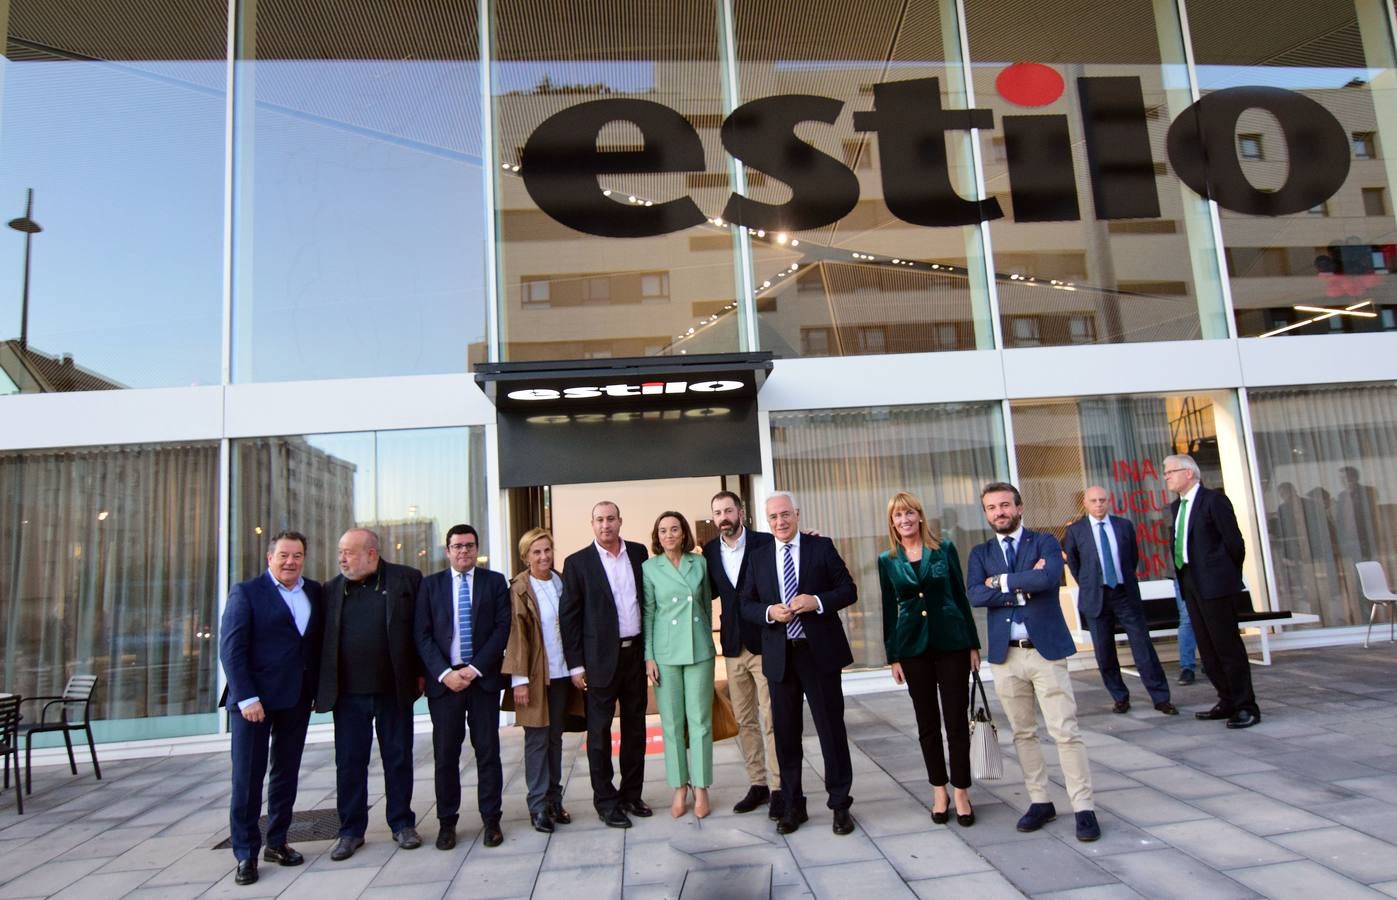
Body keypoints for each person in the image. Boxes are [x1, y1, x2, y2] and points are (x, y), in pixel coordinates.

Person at [966, 482, 1101, 842]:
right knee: (1023, 733)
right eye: (992, 507)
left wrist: (1003, 582)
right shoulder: (980, 553)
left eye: (1005, 505)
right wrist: (1021, 588)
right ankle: (1040, 801)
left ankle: (1084, 807)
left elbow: (1047, 577)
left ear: (1020, 507)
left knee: (1065, 731)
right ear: (986, 513)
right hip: (1006, 657)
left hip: (1046, 652)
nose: (999, 512)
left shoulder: (1043, 542)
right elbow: (976, 594)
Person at [739, 491, 858, 836]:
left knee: (830, 730)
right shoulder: (759, 557)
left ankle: (840, 805)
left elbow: (847, 590)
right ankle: (793, 806)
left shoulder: (820, 548)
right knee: (786, 734)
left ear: (797, 514)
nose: (780, 521)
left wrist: (816, 601)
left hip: (818, 653)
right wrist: (768, 612)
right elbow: (745, 603)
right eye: (773, 517)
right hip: (780, 655)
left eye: (785, 514)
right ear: (767, 521)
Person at [219, 531, 322, 886]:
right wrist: (247, 697)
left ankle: (277, 842)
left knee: (285, 774)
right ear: (269, 558)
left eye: (297, 556)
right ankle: (245, 853)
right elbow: (231, 649)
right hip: (253, 703)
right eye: (283, 556)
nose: (290, 562)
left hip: (294, 700)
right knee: (247, 779)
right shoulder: (246, 593)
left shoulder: (313, 592)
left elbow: (311, 646)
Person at [316, 528, 424, 860]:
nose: (341, 558)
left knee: (398, 758)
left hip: (393, 690)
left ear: (372, 554)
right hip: (348, 696)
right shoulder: (331, 590)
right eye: (340, 551)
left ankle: (402, 824)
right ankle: (350, 831)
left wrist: (421, 674)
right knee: (349, 763)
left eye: (349, 552)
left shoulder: (407, 580)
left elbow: (421, 628)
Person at [877, 492, 980, 827]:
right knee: (927, 724)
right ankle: (939, 789)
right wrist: (893, 655)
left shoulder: (944, 549)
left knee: (955, 721)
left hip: (951, 643)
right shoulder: (887, 560)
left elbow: (960, 596)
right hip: (912, 649)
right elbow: (889, 609)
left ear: (919, 516)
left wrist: (972, 645)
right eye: (897, 516)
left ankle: (961, 790)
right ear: (892, 523)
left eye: (909, 514)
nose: (904, 520)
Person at [414, 524, 511, 850]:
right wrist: (444, 673)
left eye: (469, 545)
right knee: (446, 756)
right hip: (445, 686)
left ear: (477, 548)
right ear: (447, 550)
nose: (463, 551)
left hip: (481, 681)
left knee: (488, 753)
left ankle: (491, 819)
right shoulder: (430, 586)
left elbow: (502, 629)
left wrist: (473, 669)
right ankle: (447, 823)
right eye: (457, 546)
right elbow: (422, 635)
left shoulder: (494, 582)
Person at [560, 501, 652, 828]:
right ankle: (605, 800)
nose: (605, 525)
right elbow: (569, 619)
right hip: (598, 661)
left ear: (620, 521)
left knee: (635, 729)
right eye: (599, 520)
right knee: (598, 734)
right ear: (592, 523)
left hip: (634, 656)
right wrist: (575, 666)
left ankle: (631, 794)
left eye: (611, 519)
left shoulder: (640, 554)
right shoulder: (577, 563)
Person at [1164, 454, 1260, 729]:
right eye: (1166, 472)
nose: (1167, 476)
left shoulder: (1213, 500)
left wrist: (1225, 575)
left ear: (1189, 473)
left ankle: (1246, 705)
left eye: (1171, 471)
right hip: (1190, 582)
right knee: (1207, 648)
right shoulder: (1177, 506)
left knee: (1227, 647)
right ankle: (1226, 699)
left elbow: (1234, 542)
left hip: (1215, 584)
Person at [1063, 486, 1177, 716]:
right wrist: (1092, 583)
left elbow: (1131, 557)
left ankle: (1160, 697)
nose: (1098, 504)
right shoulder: (1076, 531)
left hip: (1124, 593)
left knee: (1142, 647)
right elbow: (1075, 564)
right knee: (1104, 651)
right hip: (1096, 596)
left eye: (1102, 500)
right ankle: (1120, 697)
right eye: (1093, 501)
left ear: (1109, 501)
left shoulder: (1124, 525)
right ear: (1085, 503)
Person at [702, 490, 781, 818]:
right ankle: (758, 783)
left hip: (765, 642)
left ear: (741, 512)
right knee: (745, 720)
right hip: (733, 647)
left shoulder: (765, 543)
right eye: (717, 512)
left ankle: (779, 787)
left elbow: (793, 555)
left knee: (772, 718)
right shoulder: (708, 552)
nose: (723, 517)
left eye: (728, 510)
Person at [502, 528, 585, 834]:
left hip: (562, 674)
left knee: (555, 738)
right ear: (525, 557)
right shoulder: (520, 588)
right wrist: (519, 680)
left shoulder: (562, 581)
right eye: (536, 552)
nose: (543, 557)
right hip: (536, 677)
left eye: (547, 550)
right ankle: (537, 806)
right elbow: (517, 635)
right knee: (536, 740)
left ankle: (554, 800)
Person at [643, 511, 716, 818]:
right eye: (663, 530)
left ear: (684, 533)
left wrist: (708, 641)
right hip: (664, 652)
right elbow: (647, 612)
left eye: (674, 529)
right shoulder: (649, 567)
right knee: (672, 724)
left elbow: (706, 604)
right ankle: (679, 787)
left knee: (700, 721)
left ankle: (701, 788)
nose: (669, 535)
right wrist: (648, 656)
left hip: (699, 648)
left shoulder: (698, 562)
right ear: (657, 537)